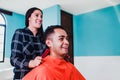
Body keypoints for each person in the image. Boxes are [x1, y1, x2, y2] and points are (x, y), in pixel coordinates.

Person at [10, 7, 47, 80]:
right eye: (37, 15)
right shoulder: (20, 33)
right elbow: (14, 60)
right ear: (29, 18)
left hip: (40, 77)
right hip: (22, 77)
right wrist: (31, 63)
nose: (40, 18)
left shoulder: (43, 37)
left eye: (41, 16)